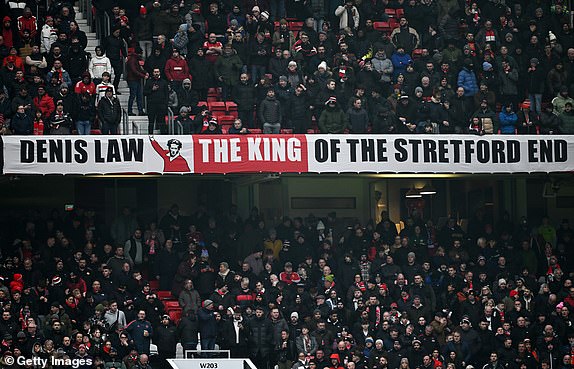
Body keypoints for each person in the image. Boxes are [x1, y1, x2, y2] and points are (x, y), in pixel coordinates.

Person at [143, 67, 169, 134]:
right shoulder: (149, 82)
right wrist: (152, 90)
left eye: (157, 72)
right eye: (155, 72)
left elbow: (167, 94)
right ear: (153, 73)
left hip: (161, 105)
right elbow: (144, 92)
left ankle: (163, 135)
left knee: (161, 122)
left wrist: (165, 104)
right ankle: (150, 135)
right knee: (151, 121)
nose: (156, 73)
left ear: (159, 72)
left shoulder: (164, 82)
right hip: (151, 105)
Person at [126, 47, 147, 116]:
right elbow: (134, 70)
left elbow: (137, 69)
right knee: (133, 95)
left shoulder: (134, 59)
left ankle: (140, 110)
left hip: (135, 79)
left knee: (138, 95)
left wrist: (144, 72)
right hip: (133, 79)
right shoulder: (133, 60)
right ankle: (130, 111)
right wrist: (143, 75)